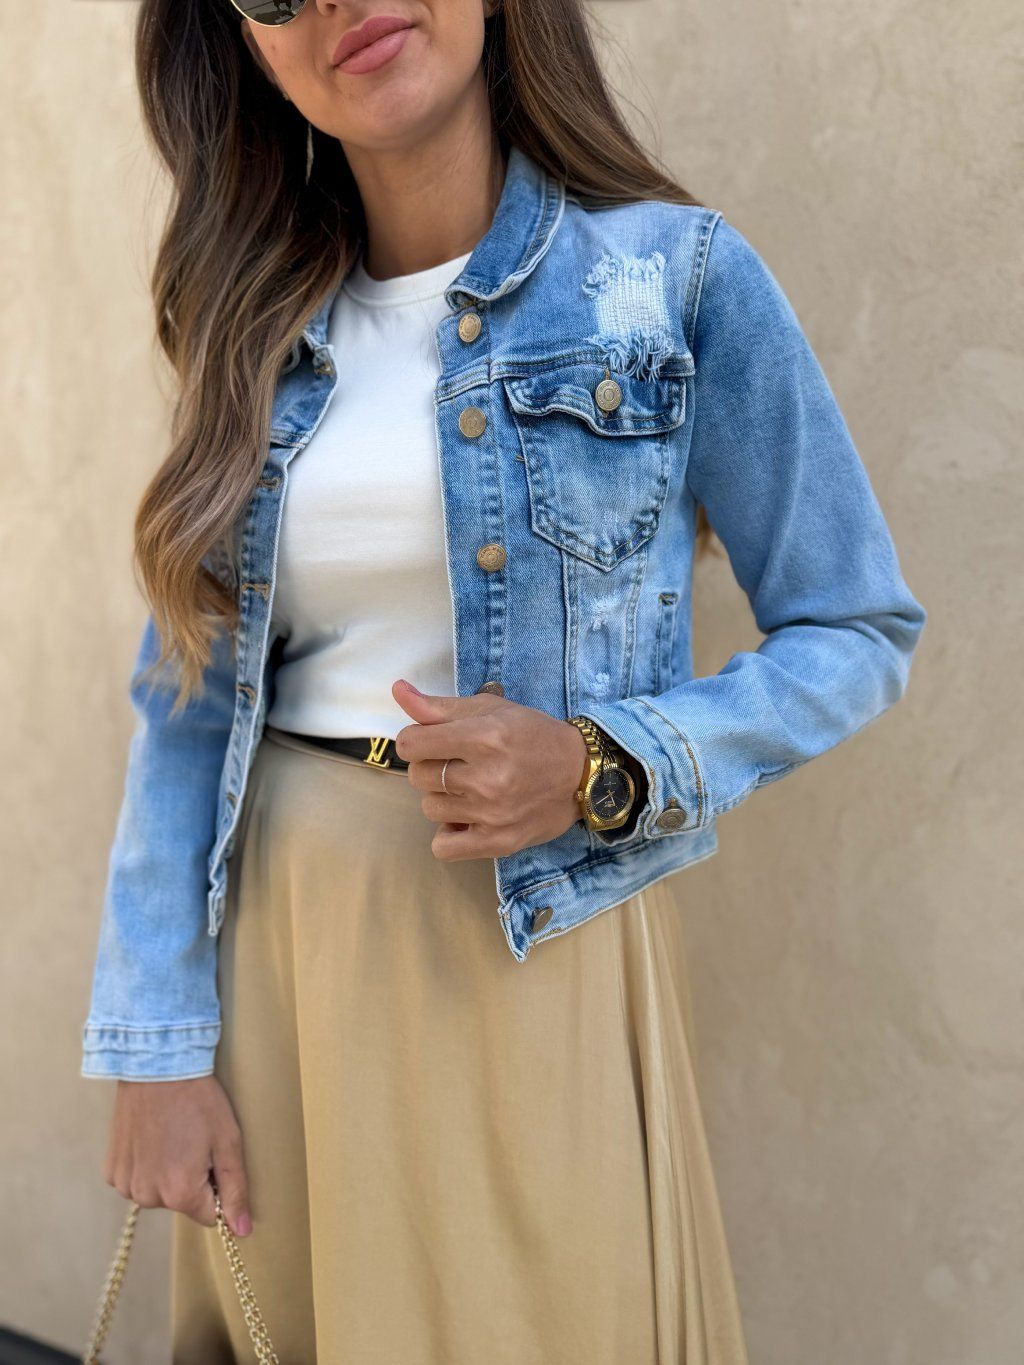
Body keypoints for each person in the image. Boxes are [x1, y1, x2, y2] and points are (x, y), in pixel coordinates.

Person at [79, 1, 927, 1361]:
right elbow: (183, 707)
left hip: (535, 953)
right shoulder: (255, 326)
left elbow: (856, 627)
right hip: (282, 967)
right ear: (246, 50)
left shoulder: (676, 280)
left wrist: (603, 761)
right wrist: (156, 1046)